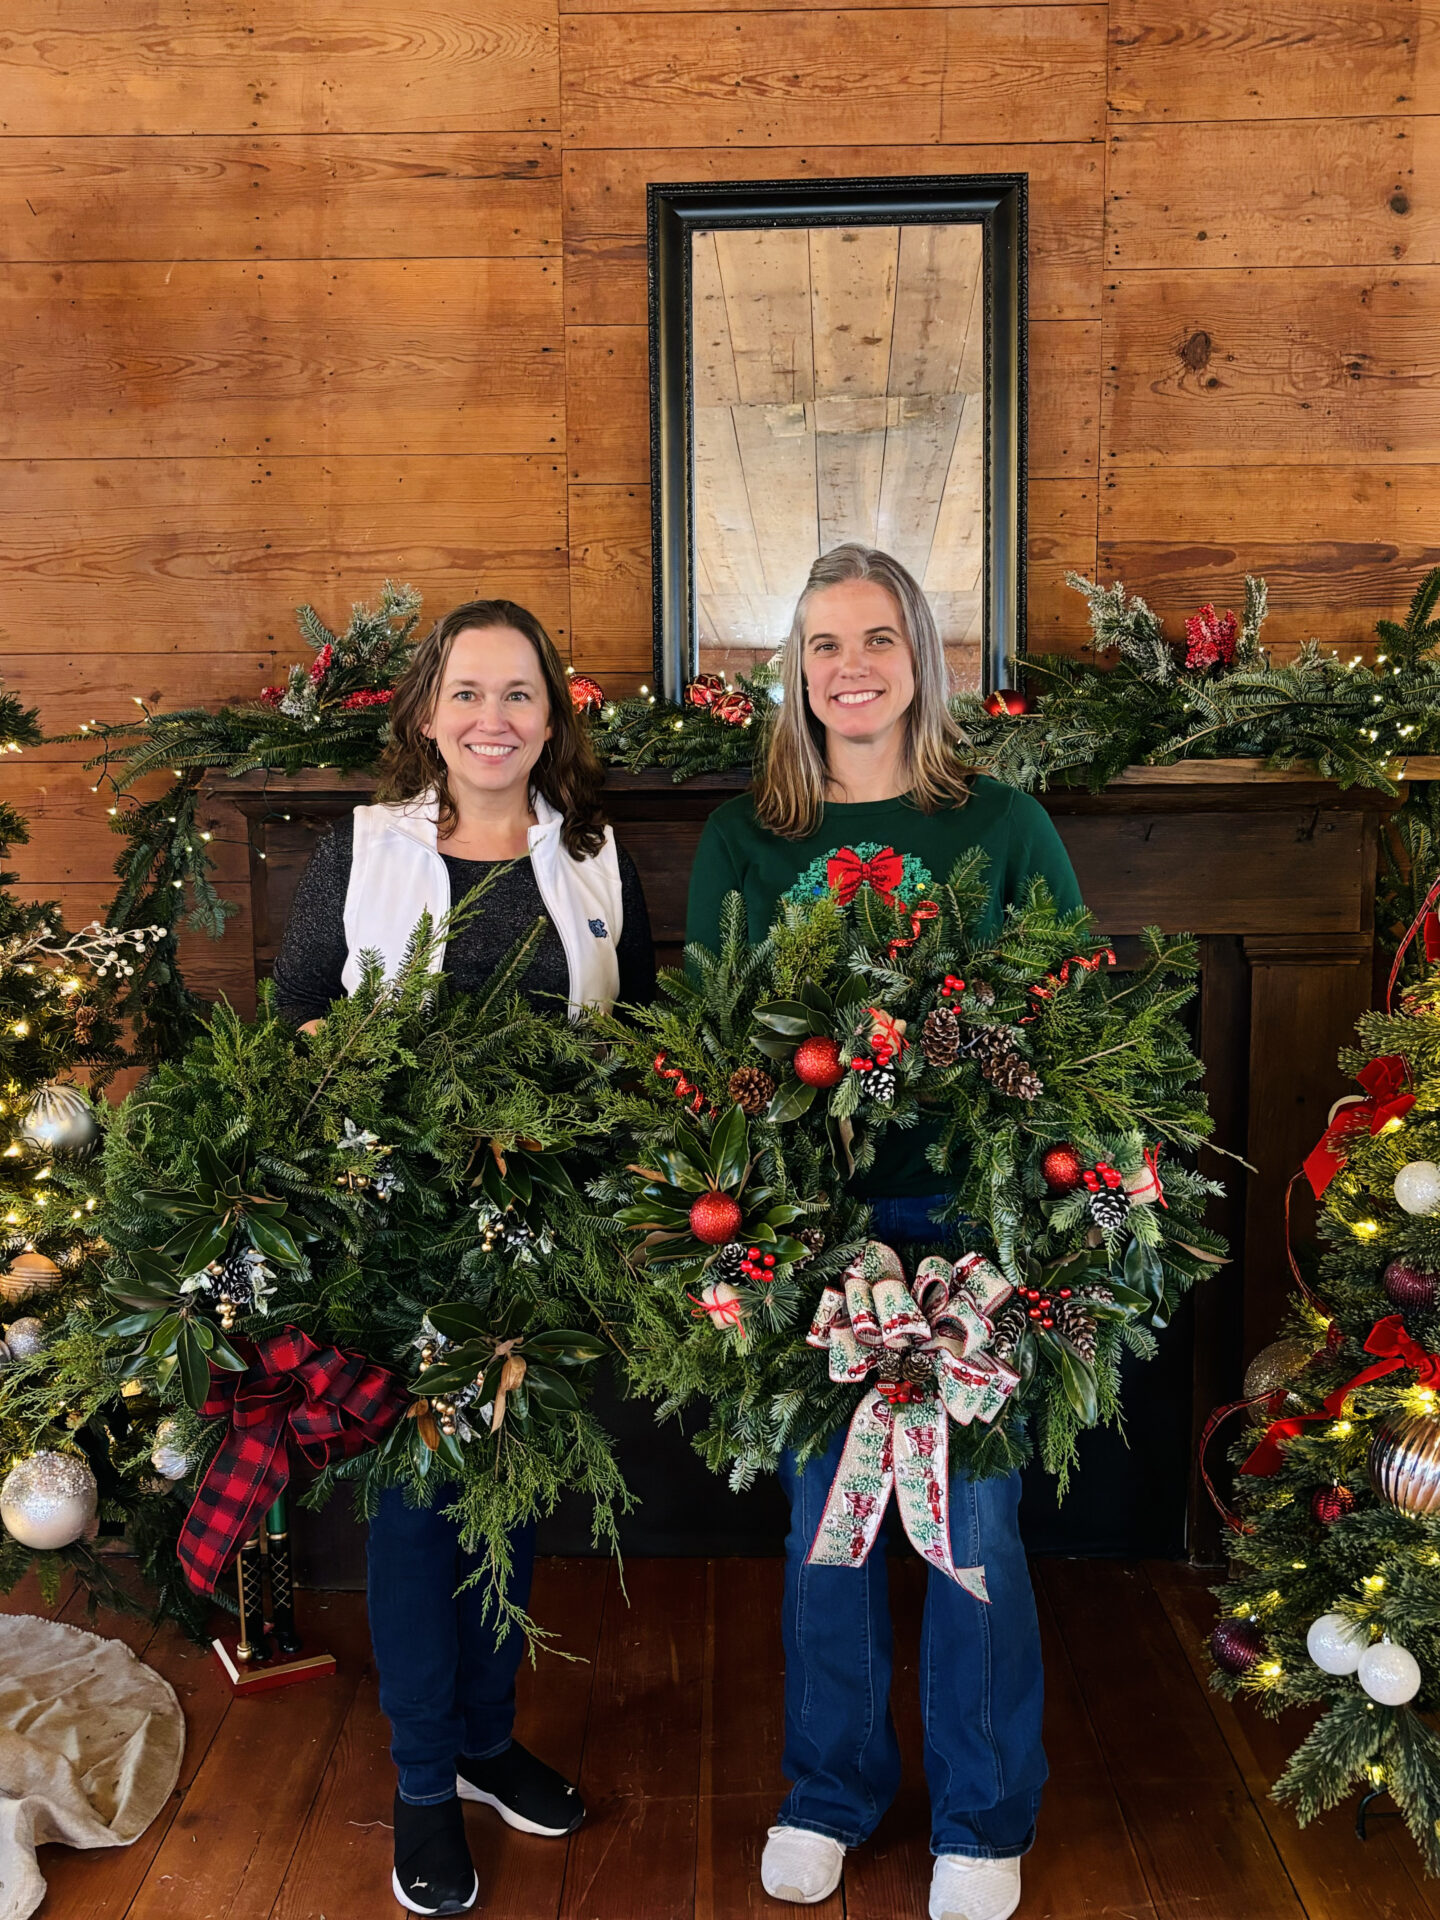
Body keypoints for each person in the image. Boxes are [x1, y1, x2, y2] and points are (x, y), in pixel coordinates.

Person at [686, 545, 1082, 1920]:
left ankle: (984, 1813)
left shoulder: (1004, 825)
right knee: (828, 1524)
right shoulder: (753, 838)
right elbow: (721, 1044)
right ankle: (830, 1790)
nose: (848, 668)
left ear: (922, 656)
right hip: (814, 1236)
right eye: (820, 646)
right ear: (794, 675)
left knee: (973, 1520)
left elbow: (1068, 1031)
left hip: (972, 1227)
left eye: (875, 639)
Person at [273, 598, 655, 1917]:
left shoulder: (592, 853)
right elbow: (297, 1018)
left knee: (514, 1493)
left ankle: (489, 1740)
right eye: (468, 694)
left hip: (544, 1241)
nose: (493, 720)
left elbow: (637, 1026)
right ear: (428, 713)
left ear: (552, 720)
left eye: (520, 696)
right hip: (399, 1244)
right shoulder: (363, 848)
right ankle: (425, 1784)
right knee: (414, 1512)